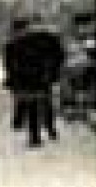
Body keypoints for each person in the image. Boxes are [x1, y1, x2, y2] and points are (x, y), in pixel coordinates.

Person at [4, 17, 65, 146]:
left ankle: (36, 135)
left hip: (29, 78)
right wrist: (54, 72)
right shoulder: (47, 37)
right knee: (44, 102)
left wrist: (13, 78)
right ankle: (48, 129)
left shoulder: (15, 43)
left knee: (33, 104)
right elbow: (59, 55)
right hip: (42, 77)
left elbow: (10, 63)